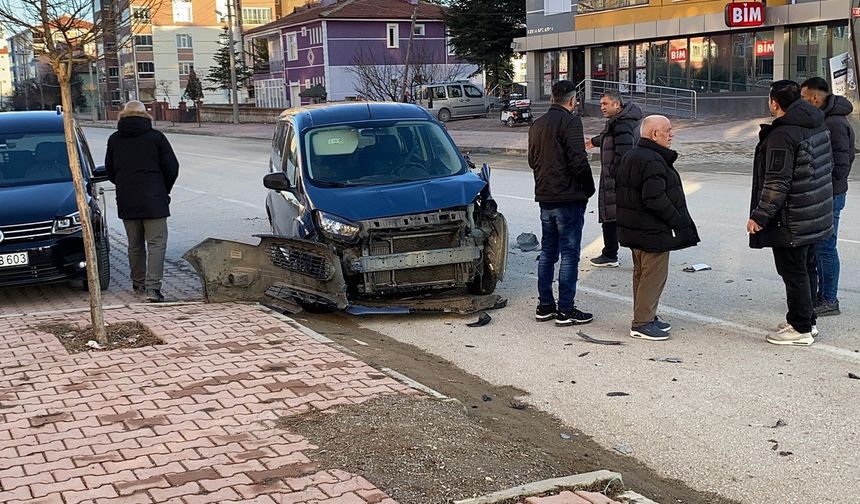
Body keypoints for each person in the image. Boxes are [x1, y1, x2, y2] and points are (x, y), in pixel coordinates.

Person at [748, 80, 833, 346]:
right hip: (813, 211)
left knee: (793, 272)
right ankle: (807, 320)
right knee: (807, 269)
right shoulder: (816, 122)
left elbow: (777, 182)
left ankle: (800, 329)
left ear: (774, 103)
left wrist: (759, 216)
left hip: (792, 217)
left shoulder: (783, 135)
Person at [616, 115, 699, 341]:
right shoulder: (652, 159)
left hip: (635, 229)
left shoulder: (632, 155)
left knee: (641, 276)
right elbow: (655, 198)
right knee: (652, 277)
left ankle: (646, 316)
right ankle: (641, 323)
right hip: (651, 231)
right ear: (654, 134)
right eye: (668, 130)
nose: (671, 134)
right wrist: (678, 221)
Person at [528, 80, 595, 326]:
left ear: (551, 99)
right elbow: (579, 161)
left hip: (546, 196)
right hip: (568, 197)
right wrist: (588, 189)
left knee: (547, 252)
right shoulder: (571, 122)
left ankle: (545, 305)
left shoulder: (537, 125)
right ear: (572, 100)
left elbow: (532, 160)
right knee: (569, 254)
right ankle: (565, 309)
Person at [105, 101, 180, 303]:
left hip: (127, 199)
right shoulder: (156, 138)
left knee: (134, 245)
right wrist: (163, 189)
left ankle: (138, 284)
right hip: (154, 198)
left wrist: (124, 184)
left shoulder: (114, 140)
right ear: (145, 116)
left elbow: (110, 171)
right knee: (156, 243)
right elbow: (172, 168)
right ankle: (153, 289)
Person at [800, 77, 854, 317]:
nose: (801, 102)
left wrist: (826, 189)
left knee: (826, 247)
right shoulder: (826, 119)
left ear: (814, 98)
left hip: (831, 194)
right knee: (821, 246)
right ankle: (822, 295)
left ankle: (829, 298)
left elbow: (842, 162)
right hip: (825, 193)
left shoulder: (835, 123)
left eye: (803, 97)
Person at [585, 90, 642, 268]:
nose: (602, 107)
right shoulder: (620, 121)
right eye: (601, 103)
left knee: (614, 217)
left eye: (605, 104)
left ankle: (613, 255)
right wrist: (594, 142)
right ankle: (612, 253)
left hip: (616, 179)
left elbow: (624, 153)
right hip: (617, 178)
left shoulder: (622, 124)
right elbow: (609, 138)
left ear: (616, 105)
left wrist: (614, 173)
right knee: (614, 217)